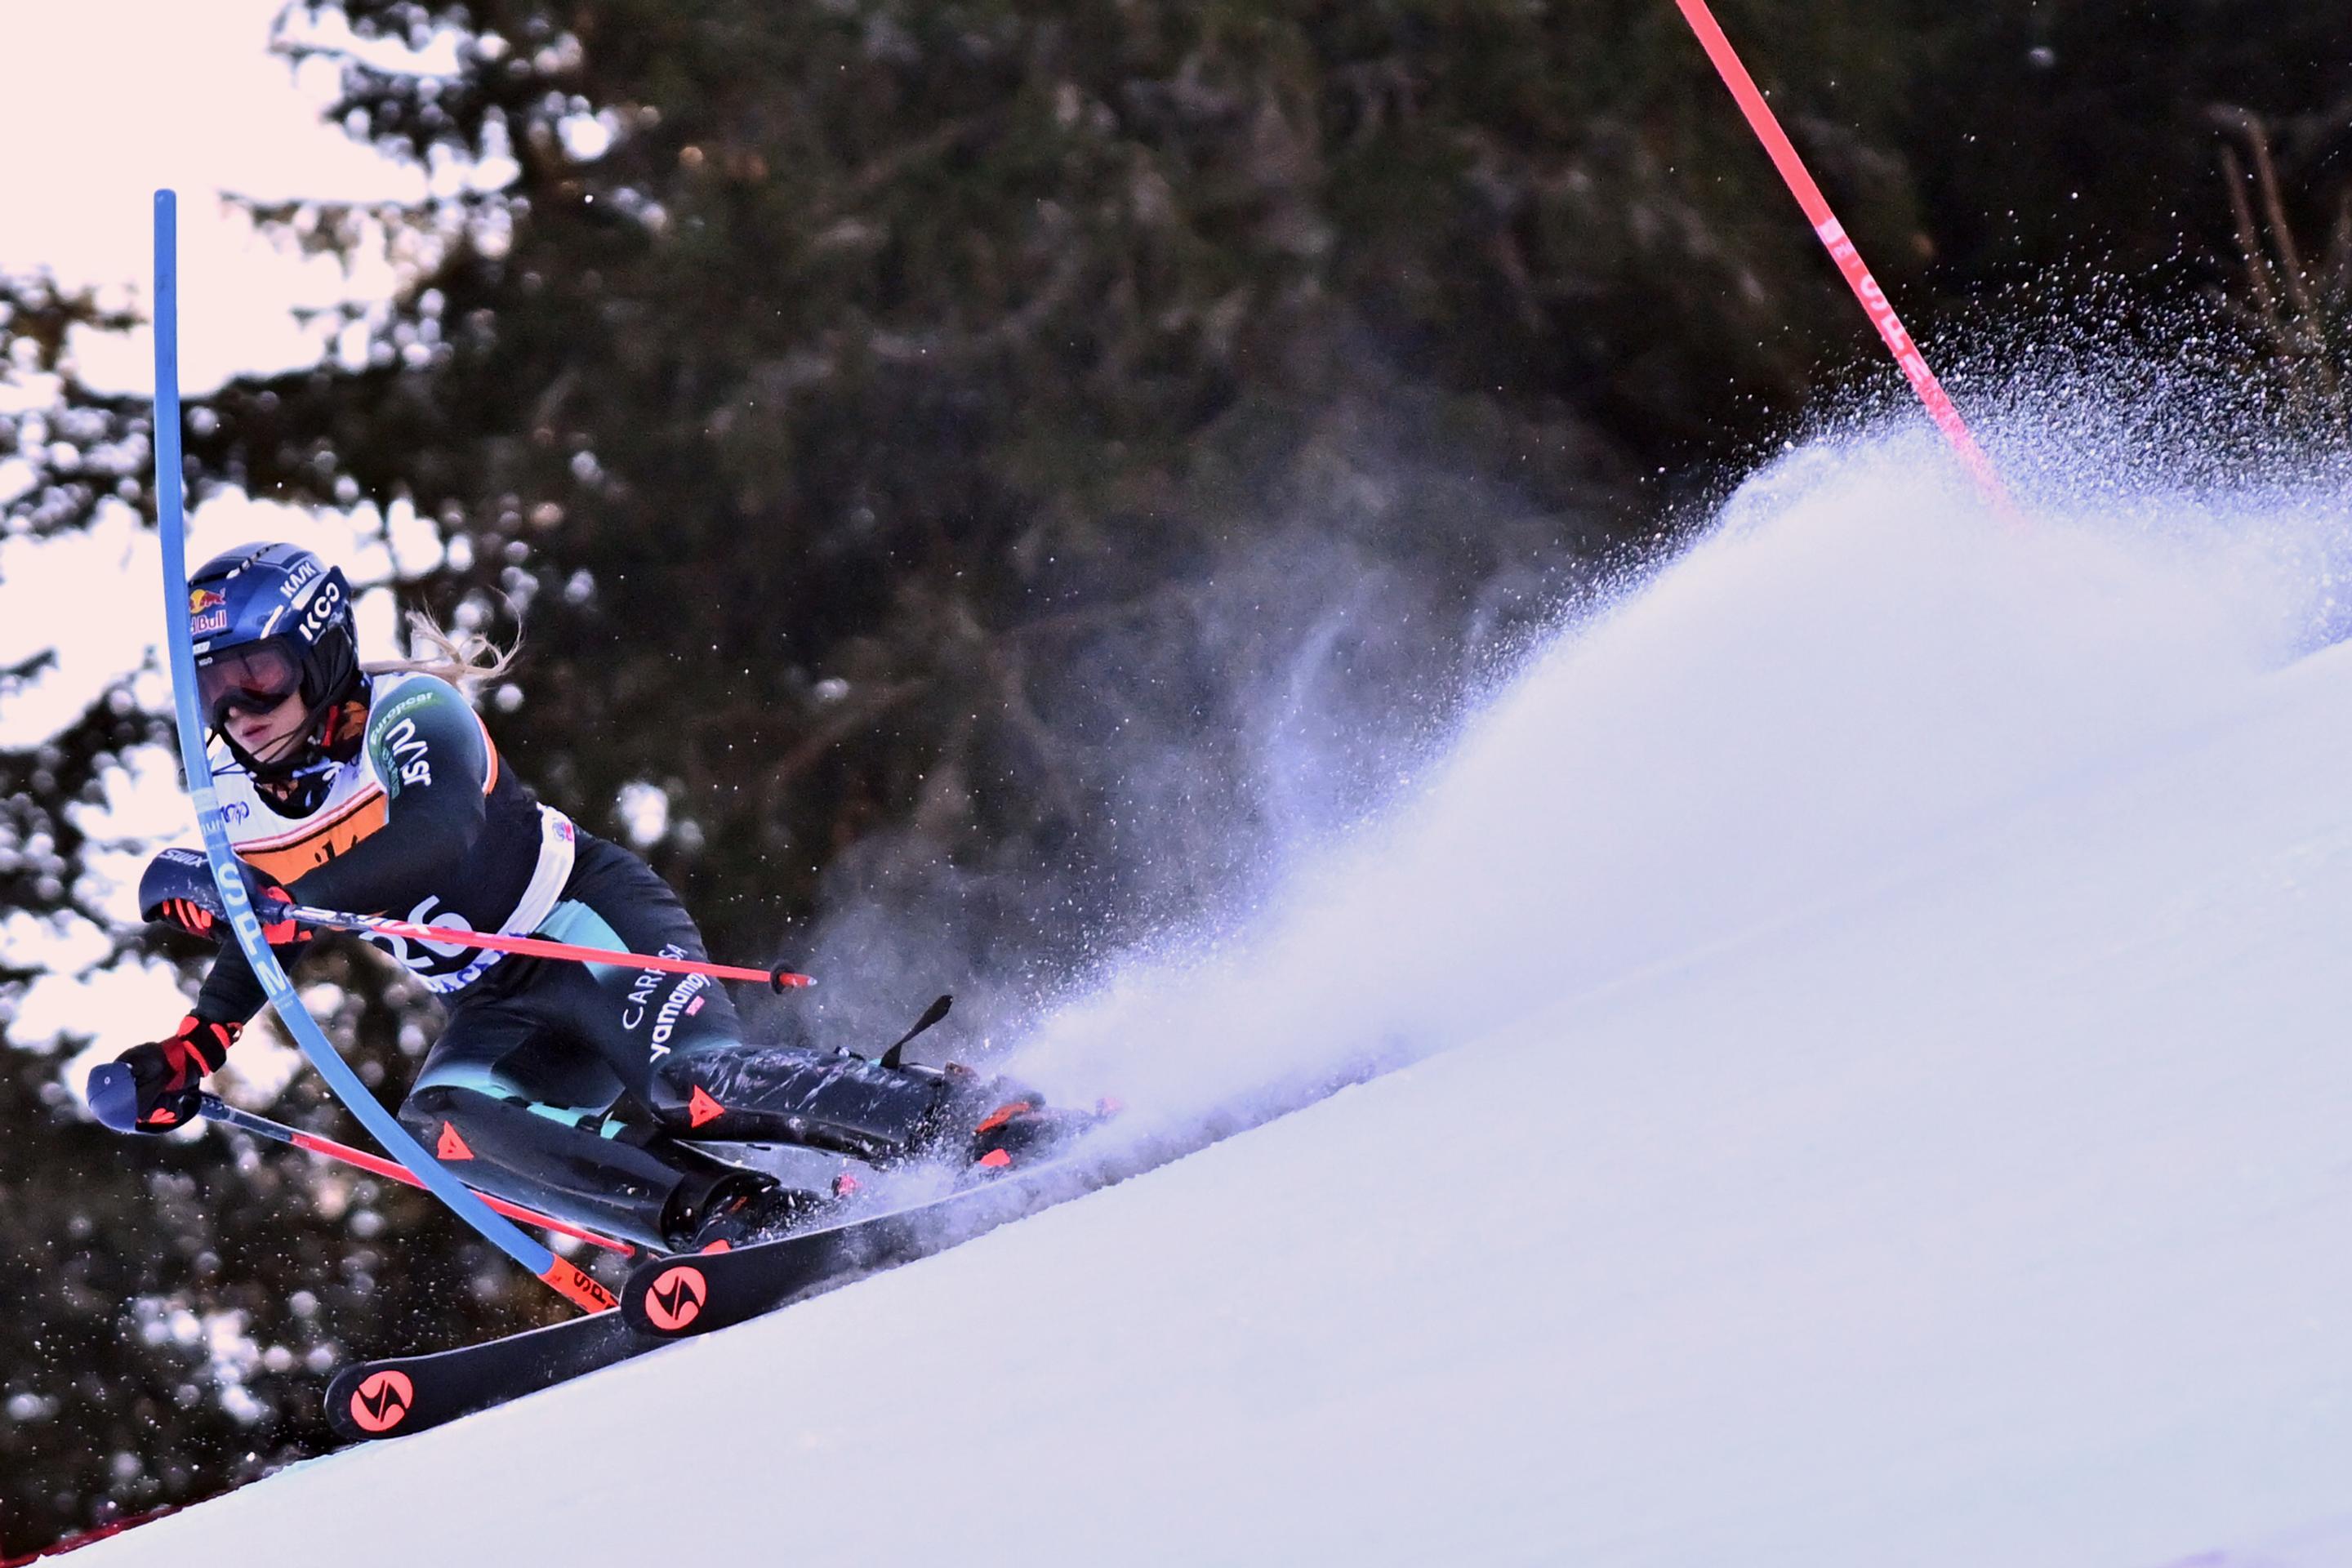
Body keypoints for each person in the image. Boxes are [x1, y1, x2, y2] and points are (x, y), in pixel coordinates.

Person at [113, 542, 1054, 1251]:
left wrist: (268, 892)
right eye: (212, 689)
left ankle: (956, 1116)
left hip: (583, 929)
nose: (238, 710)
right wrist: (198, 1046)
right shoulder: (236, 799)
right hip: (494, 1002)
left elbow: (440, 832)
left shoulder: (413, 715)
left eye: (258, 675)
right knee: (444, 1128)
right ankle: (732, 1220)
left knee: (690, 1086)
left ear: (319, 656)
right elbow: (266, 934)